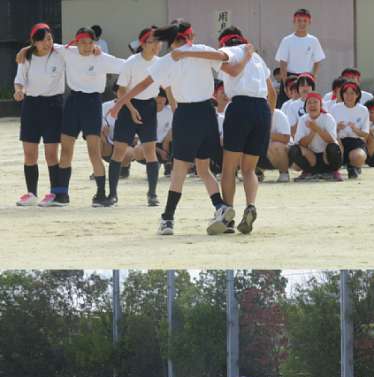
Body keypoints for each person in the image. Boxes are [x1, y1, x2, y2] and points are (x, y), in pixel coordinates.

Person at [110, 20, 250, 236]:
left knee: (179, 170)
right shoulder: (202, 50)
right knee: (203, 169)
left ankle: (167, 218)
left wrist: (119, 103)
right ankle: (220, 207)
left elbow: (144, 84)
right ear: (190, 35)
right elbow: (226, 62)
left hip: (186, 114)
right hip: (208, 113)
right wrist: (247, 55)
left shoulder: (168, 60)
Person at [177, 26, 277, 234]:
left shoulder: (231, 50)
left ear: (223, 42)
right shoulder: (258, 58)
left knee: (229, 168)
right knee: (249, 169)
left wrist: (188, 52)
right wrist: (268, 118)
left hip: (240, 107)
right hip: (262, 109)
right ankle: (250, 205)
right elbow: (272, 94)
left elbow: (228, 66)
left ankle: (227, 216)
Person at [17, 27, 125, 206]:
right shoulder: (68, 52)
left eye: (90, 43)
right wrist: (25, 49)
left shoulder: (102, 58)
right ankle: (61, 195)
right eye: (83, 43)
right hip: (72, 103)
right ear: (76, 43)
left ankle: (101, 193)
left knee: (93, 151)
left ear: (95, 43)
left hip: (92, 104)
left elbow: (127, 66)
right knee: (66, 150)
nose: (87, 46)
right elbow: (44, 45)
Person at [109, 26, 161, 207]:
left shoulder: (160, 62)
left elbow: (167, 86)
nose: (156, 45)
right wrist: (130, 109)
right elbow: (121, 90)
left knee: (150, 150)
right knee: (119, 150)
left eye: (158, 42)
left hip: (149, 107)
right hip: (127, 105)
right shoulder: (131, 62)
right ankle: (112, 193)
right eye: (152, 42)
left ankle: (152, 193)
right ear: (143, 44)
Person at [13, 23, 64, 207]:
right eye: (42, 40)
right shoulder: (26, 57)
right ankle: (31, 193)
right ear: (34, 42)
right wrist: (19, 91)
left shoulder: (60, 54)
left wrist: (95, 49)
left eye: (49, 39)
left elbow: (78, 50)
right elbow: (19, 81)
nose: (47, 43)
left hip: (53, 106)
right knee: (29, 154)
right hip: (31, 106)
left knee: (51, 154)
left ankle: (55, 193)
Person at [275, 8, 325, 106]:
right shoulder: (287, 40)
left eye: (305, 21)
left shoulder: (313, 40)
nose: (302, 23)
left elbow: (318, 60)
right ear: (294, 21)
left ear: (309, 22)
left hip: (306, 78)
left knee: (307, 104)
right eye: (299, 21)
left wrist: (313, 77)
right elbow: (283, 63)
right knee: (286, 105)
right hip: (290, 78)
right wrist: (285, 82)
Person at [289, 92, 342, 181]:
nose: (312, 105)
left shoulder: (328, 118)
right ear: (306, 107)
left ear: (320, 106)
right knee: (293, 149)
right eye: (309, 103)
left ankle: (332, 171)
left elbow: (331, 140)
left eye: (315, 102)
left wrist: (317, 128)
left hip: (326, 156)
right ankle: (308, 171)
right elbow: (301, 143)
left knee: (333, 147)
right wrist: (312, 132)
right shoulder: (303, 119)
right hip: (311, 157)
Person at [330, 80, 369, 179]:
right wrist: (337, 128)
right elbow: (329, 130)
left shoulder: (363, 110)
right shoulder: (335, 108)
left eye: (352, 93)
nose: (349, 96)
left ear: (357, 95)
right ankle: (335, 168)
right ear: (342, 94)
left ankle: (353, 166)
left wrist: (356, 130)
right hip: (339, 140)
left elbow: (365, 134)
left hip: (355, 141)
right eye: (346, 93)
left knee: (358, 156)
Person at [258, 107, 291, 182]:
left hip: (279, 154)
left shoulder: (279, 115)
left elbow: (286, 139)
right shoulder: (250, 114)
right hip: (258, 153)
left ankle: (284, 173)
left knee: (276, 146)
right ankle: (256, 172)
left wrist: (265, 133)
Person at [285, 72, 315, 138]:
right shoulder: (292, 106)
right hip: (299, 140)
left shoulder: (321, 103)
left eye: (308, 85)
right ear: (298, 88)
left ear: (312, 88)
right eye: (302, 85)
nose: (305, 88)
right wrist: (304, 118)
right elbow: (291, 131)